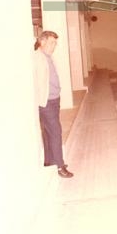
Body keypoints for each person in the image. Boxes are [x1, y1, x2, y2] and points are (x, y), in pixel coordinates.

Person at [33, 30, 73, 178]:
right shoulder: (36, 57)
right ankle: (60, 166)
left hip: (55, 99)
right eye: (51, 43)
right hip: (47, 102)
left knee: (49, 132)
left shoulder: (48, 56)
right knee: (56, 132)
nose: (54, 46)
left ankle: (49, 161)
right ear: (42, 42)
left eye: (55, 43)